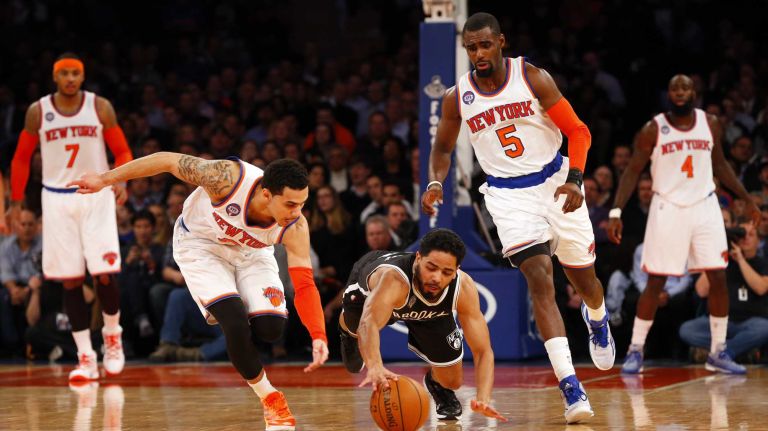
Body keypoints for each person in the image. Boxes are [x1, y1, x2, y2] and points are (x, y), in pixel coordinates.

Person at [421, 12, 613, 423]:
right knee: (540, 280)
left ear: (501, 41)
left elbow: (579, 131)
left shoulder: (532, 78)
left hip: (556, 180)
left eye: (485, 45)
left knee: (586, 283)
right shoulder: (458, 96)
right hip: (508, 196)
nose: (478, 54)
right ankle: (571, 388)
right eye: (471, 48)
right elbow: (441, 150)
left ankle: (596, 317)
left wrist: (577, 180)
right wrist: (436, 182)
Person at [68, 154, 328, 430]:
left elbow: (304, 284)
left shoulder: (295, 226)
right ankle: (271, 399)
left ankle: (231, 296)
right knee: (235, 321)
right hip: (200, 244)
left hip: (252, 252)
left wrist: (318, 334)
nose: (297, 212)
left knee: (270, 329)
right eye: (290, 204)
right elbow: (166, 160)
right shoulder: (226, 178)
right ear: (266, 194)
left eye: (302, 204)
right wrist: (105, 178)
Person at [607, 74, 761, 375]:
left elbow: (720, 165)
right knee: (655, 280)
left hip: (705, 204)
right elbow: (633, 171)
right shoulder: (654, 128)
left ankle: (717, 352)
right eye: (674, 88)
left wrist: (744, 196)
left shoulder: (711, 123)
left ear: (695, 92)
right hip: (668, 207)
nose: (680, 92)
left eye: (685, 87)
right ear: (669, 94)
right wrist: (615, 211)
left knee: (718, 276)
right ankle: (635, 349)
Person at [9, 53, 133, 381]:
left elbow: (121, 150)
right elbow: (21, 159)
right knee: (71, 281)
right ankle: (85, 357)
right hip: (56, 198)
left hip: (95, 193)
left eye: (75, 73)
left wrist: (119, 179)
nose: (69, 79)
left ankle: (112, 336)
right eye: (63, 73)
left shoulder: (100, 107)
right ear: (55, 77)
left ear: (82, 76)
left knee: (104, 274)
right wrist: (15, 202)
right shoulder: (39, 112)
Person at [339, 228, 506, 422]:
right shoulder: (394, 280)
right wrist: (375, 367)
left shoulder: (463, 288)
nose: (437, 277)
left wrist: (484, 398)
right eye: (431, 267)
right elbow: (369, 324)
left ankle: (436, 384)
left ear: (456, 270)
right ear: (418, 257)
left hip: (428, 312)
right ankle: (346, 332)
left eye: (446, 272)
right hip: (370, 294)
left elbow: (483, 351)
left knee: (452, 381)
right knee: (355, 340)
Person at [679, 222, 768, 369]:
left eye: (751, 235)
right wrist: (719, 256)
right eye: (741, 234)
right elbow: (701, 290)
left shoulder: (763, 263)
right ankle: (737, 350)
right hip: (718, 323)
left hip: (749, 322)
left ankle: (723, 352)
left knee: (765, 327)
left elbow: (761, 288)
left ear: (759, 241)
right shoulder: (721, 262)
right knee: (687, 330)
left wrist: (741, 260)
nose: (745, 238)